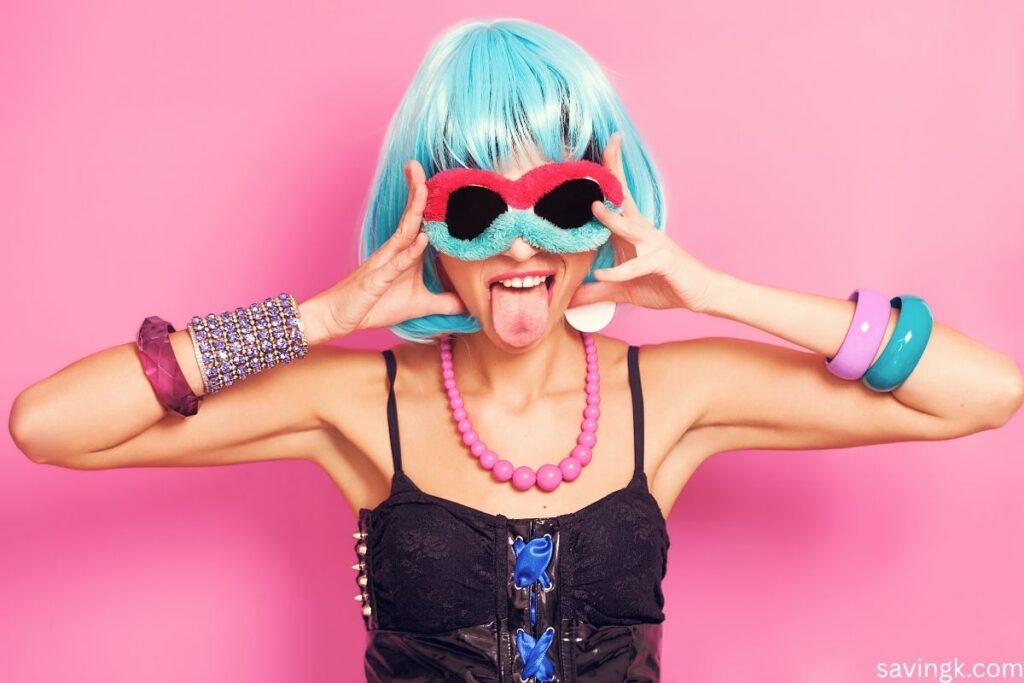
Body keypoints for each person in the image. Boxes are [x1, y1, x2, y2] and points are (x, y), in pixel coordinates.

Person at [9, 17, 1023, 683]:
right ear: (426, 217)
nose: (523, 243)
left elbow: (981, 391)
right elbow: (49, 424)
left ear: (608, 215)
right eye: (479, 207)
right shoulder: (359, 403)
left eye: (566, 201)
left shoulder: (668, 395)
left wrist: (710, 289)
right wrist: (318, 315)